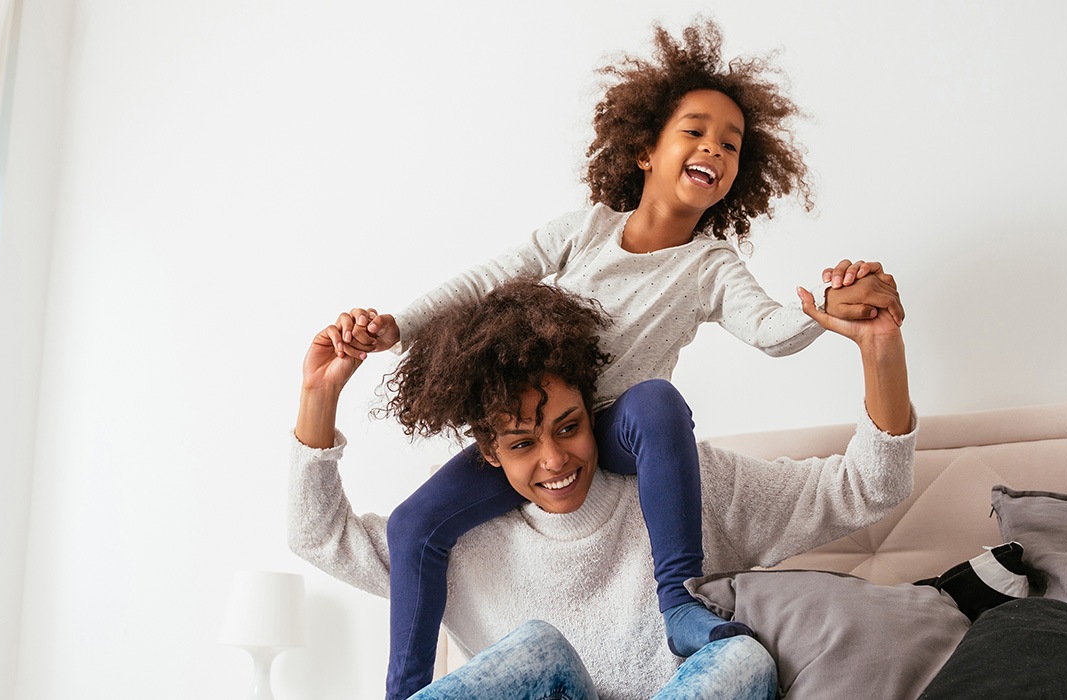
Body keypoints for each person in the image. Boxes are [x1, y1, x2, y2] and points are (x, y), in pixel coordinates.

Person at [322, 18, 906, 698]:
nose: (713, 149)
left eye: (731, 144)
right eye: (695, 131)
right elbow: (484, 280)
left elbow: (770, 327)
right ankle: (406, 689)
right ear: (644, 151)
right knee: (415, 523)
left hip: (619, 433)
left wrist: (824, 314)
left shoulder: (710, 264)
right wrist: (395, 327)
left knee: (656, 401)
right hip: (550, 426)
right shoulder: (587, 228)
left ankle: (678, 598)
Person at [291, 280, 915, 699]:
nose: (555, 460)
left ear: (595, 412)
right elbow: (317, 536)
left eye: (568, 428)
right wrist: (320, 396)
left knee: (744, 660)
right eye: (521, 444)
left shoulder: (690, 484)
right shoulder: (457, 541)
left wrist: (880, 350)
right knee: (538, 646)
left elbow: (863, 489)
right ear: (486, 452)